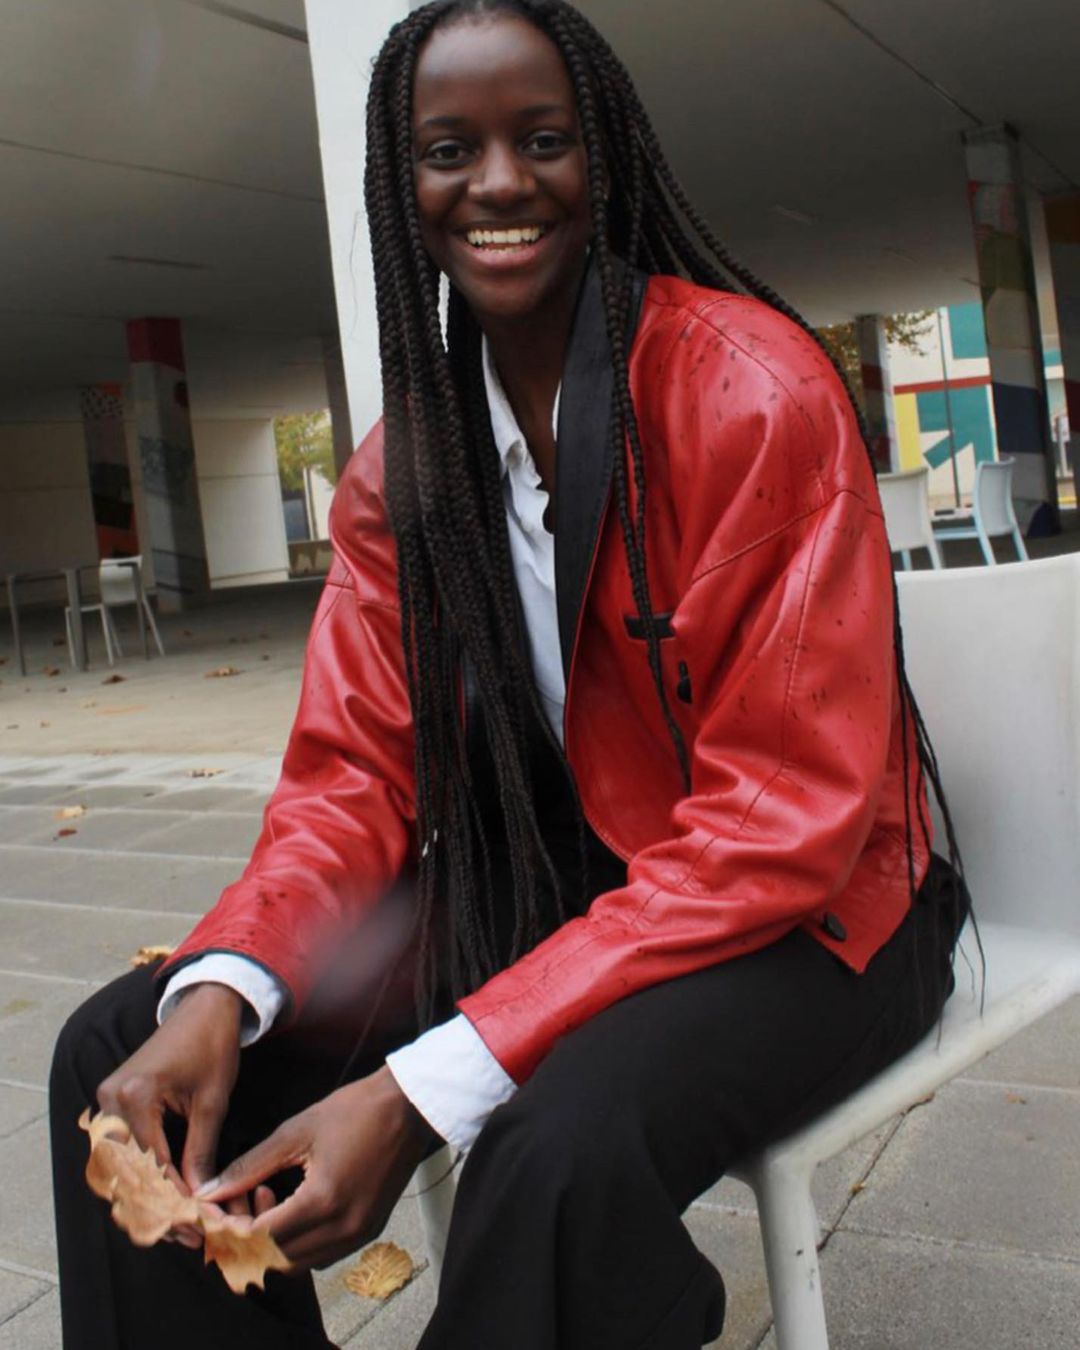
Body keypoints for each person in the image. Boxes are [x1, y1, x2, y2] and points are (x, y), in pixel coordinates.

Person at [49, 2, 970, 1347]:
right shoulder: (404, 470)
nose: (497, 182)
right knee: (119, 1051)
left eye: (542, 139)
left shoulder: (754, 391)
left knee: (549, 1155)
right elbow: (350, 781)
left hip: (819, 917)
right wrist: (220, 987)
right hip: (567, 885)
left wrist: (420, 1087)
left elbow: (779, 826)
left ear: (606, 154)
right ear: (400, 185)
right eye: (448, 150)